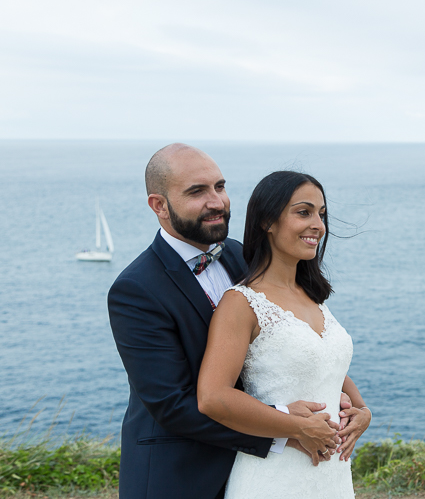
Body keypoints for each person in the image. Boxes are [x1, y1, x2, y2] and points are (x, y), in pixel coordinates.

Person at [108, 145, 354, 499]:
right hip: (180, 475)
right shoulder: (135, 289)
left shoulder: (241, 254)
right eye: (197, 191)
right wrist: (288, 426)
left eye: (219, 187)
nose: (217, 202)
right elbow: (172, 405)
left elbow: (285, 344)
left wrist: (350, 405)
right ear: (159, 205)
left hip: (264, 470)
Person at [197, 170, 371, 498]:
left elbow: (327, 366)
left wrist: (362, 413)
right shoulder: (241, 303)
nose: (318, 225)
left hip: (332, 478)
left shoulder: (312, 297)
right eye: (303, 212)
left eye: (321, 214)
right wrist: (296, 426)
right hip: (273, 479)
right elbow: (213, 397)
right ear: (268, 221)